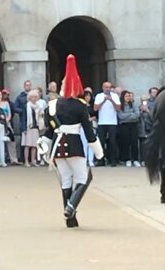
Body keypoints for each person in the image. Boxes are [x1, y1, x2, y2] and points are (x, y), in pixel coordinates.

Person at [38, 54, 104, 228]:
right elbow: (89, 132)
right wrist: (98, 151)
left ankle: (70, 219)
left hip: (58, 146)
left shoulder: (52, 105)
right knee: (83, 178)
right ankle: (71, 207)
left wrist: (44, 144)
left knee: (66, 180)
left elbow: (49, 129)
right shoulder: (80, 105)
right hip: (74, 144)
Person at [94, 81, 121, 167]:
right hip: (102, 122)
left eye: (109, 87)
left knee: (112, 142)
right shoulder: (99, 96)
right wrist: (104, 101)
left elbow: (118, 108)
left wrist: (111, 100)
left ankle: (113, 160)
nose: (108, 89)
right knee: (101, 142)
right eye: (106, 87)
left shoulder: (115, 96)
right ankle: (101, 160)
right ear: (103, 88)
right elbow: (95, 108)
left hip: (112, 122)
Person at [117, 90, 141, 167]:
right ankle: (127, 159)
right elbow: (121, 116)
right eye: (126, 96)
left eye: (129, 96)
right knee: (125, 142)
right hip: (124, 125)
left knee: (134, 142)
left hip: (133, 125)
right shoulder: (120, 105)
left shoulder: (134, 104)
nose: (128, 98)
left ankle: (135, 159)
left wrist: (127, 115)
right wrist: (131, 114)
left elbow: (137, 114)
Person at [1, 89, 20, 165]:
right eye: (4, 94)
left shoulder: (10, 103)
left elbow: (11, 113)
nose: (5, 95)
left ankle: (14, 159)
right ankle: (3, 159)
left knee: (11, 141)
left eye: (7, 94)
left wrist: (7, 120)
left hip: (8, 124)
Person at [138, 95, 152, 165]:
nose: (144, 102)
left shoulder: (151, 108)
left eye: (145, 100)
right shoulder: (138, 108)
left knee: (149, 145)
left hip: (149, 129)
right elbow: (136, 117)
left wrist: (148, 111)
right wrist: (140, 111)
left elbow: (154, 118)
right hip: (141, 129)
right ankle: (142, 160)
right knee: (142, 146)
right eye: (142, 100)